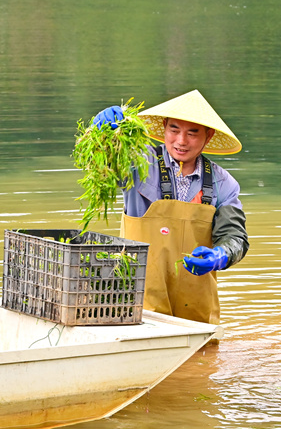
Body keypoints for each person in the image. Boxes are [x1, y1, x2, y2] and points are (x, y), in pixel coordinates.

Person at [91, 90, 248, 324]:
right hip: (138, 302)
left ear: (208, 135)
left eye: (192, 133)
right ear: (164, 128)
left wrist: (220, 255)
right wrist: (100, 133)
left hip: (197, 309)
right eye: (174, 129)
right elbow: (101, 166)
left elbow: (235, 236)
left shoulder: (223, 183)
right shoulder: (137, 162)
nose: (181, 141)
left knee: (202, 360)